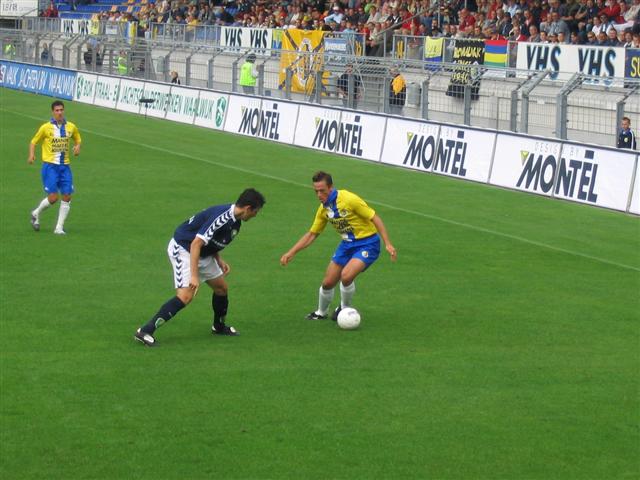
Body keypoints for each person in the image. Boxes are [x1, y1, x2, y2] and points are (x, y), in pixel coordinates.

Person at [134, 189, 266, 346]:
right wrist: (194, 276)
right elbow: (196, 243)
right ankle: (145, 331)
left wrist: (218, 259)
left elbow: (211, 241)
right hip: (184, 248)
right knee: (186, 296)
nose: (256, 215)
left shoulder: (236, 222)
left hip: (202, 253)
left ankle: (218, 327)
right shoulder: (222, 217)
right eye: (256, 211)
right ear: (248, 208)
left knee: (221, 288)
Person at [280, 171, 397, 321]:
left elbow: (375, 218)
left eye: (322, 190)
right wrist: (291, 252)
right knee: (327, 283)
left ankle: (344, 309)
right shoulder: (323, 210)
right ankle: (321, 313)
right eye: (316, 191)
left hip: (368, 243)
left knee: (346, 276)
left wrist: (387, 243)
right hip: (347, 245)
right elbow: (312, 234)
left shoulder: (349, 199)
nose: (318, 194)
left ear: (331, 187)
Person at [28, 100, 82, 235]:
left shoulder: (71, 127)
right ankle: (36, 213)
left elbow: (77, 138)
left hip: (65, 167)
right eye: (57, 110)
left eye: (61, 110)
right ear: (53, 112)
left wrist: (77, 147)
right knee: (53, 198)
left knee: (67, 196)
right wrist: (31, 155)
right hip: (50, 167)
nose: (60, 112)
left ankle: (59, 228)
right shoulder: (45, 128)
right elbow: (33, 142)